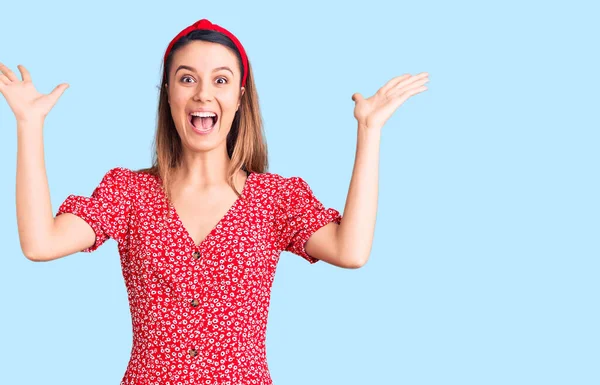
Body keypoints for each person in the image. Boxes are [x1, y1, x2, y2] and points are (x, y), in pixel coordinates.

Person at [4, 18, 429, 385]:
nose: (203, 94)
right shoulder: (128, 193)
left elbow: (350, 251)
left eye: (220, 80)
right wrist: (29, 123)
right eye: (187, 78)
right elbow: (40, 243)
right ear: (167, 92)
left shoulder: (276, 199)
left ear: (240, 96)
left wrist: (370, 131)